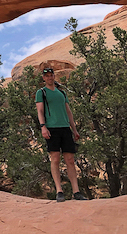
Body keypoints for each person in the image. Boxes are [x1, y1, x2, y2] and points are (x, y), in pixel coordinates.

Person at [35, 67, 88, 202]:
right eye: (46, 76)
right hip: (51, 129)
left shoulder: (62, 93)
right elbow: (40, 111)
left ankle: (76, 192)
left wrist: (74, 129)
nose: (49, 78)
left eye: (51, 75)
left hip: (65, 128)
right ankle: (59, 191)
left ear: (54, 76)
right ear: (43, 78)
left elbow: (68, 111)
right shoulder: (41, 93)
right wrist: (43, 127)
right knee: (55, 159)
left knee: (70, 160)